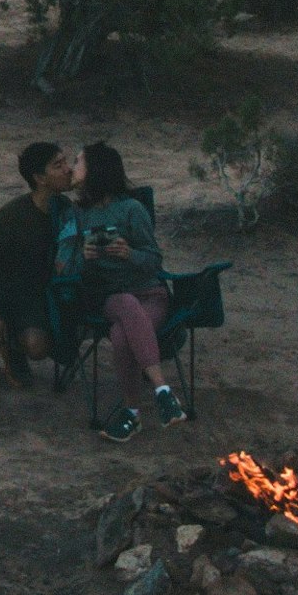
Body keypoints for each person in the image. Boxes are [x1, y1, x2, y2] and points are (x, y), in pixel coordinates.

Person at [69, 140, 186, 441]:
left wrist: (129, 253)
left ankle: (132, 414)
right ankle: (163, 391)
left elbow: (154, 260)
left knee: (121, 336)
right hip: (111, 296)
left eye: (78, 161)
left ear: (96, 170)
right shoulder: (78, 215)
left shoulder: (132, 209)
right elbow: (69, 269)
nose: (72, 167)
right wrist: (84, 257)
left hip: (150, 295)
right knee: (124, 303)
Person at [0, 141, 78, 388]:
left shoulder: (65, 210)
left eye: (66, 163)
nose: (68, 170)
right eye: (58, 165)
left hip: (29, 297)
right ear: (40, 178)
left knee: (38, 346)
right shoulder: (11, 216)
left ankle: (12, 347)